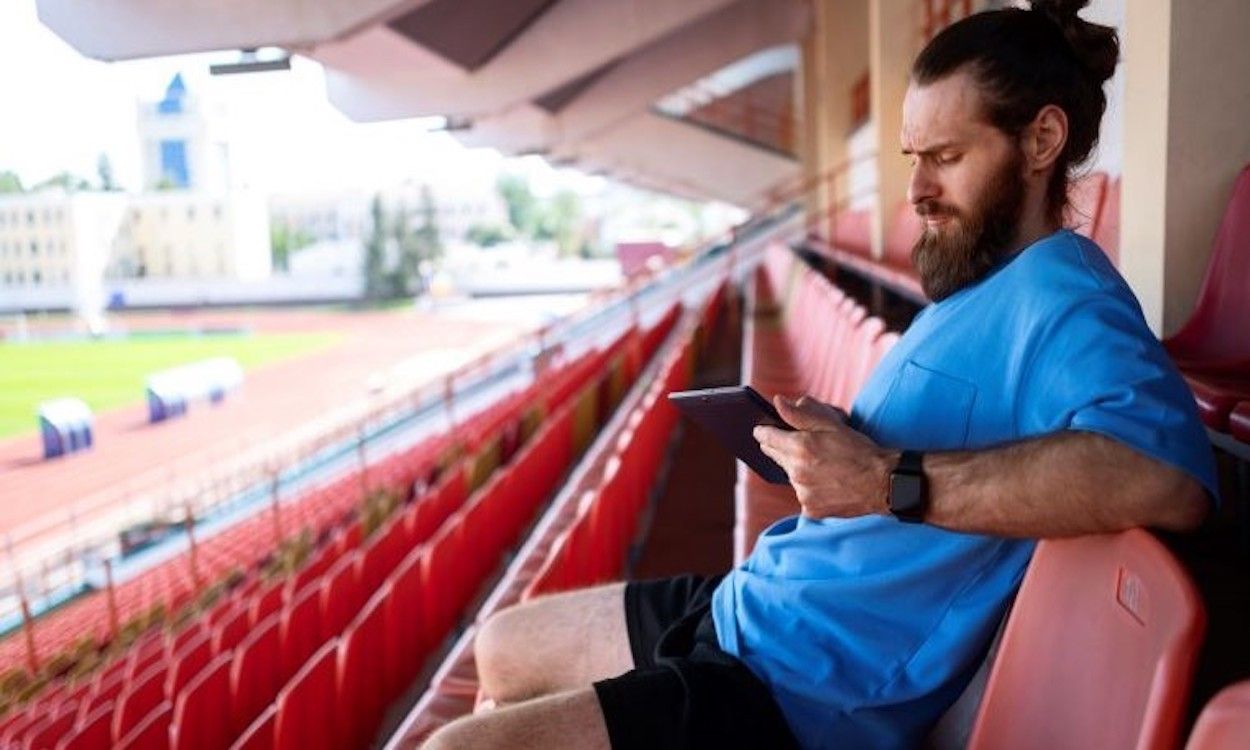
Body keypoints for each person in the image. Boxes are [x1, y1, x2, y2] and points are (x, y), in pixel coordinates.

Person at [421, 2, 1217, 748]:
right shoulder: (974, 286)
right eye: (913, 158)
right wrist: (842, 444)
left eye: (946, 158)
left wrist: (883, 480)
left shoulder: (1066, 296)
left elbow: (1166, 476)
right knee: (502, 647)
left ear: (1042, 142)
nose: (916, 192)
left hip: (791, 693)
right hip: (748, 607)